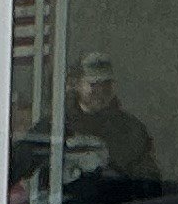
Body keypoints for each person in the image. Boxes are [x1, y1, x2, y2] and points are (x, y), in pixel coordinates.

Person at [65, 53, 158, 188]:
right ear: (77, 85)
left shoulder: (132, 129)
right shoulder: (57, 126)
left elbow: (149, 181)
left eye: (106, 84)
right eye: (93, 84)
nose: (100, 90)